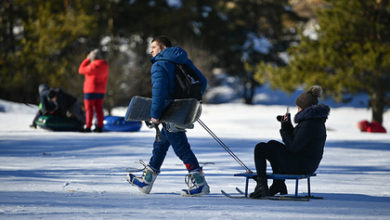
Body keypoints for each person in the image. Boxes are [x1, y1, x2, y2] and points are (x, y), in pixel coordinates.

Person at [127, 36, 209, 196]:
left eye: (154, 47)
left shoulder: (160, 64)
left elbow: (159, 92)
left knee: (181, 148)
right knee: (160, 144)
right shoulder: (183, 61)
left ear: (163, 48)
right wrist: (191, 102)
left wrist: (155, 115)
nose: (151, 51)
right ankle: (146, 181)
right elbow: (203, 81)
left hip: (170, 112)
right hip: (183, 110)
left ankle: (200, 184)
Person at [250, 85, 330, 198]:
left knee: (261, 148)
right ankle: (278, 184)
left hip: (301, 165)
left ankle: (262, 186)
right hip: (304, 163)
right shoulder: (313, 121)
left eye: (298, 108)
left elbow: (292, 147)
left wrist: (284, 126)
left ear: (306, 108)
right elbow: (297, 140)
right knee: (272, 144)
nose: (297, 110)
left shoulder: (309, 124)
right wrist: (286, 124)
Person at [78, 49, 109, 132]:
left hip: (90, 90)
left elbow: (80, 70)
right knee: (99, 109)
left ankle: (88, 126)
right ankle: (99, 126)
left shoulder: (92, 66)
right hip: (101, 90)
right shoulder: (105, 65)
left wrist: (87, 59)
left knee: (89, 109)